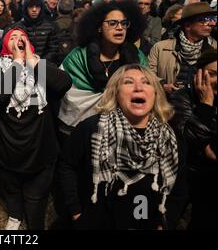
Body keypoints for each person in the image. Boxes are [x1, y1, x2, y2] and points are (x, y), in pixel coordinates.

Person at [58, 64, 179, 229]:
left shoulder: (170, 135)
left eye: (146, 83)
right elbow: (67, 166)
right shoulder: (91, 128)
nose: (138, 88)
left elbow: (180, 185)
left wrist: (165, 223)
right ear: (115, 93)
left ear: (155, 93)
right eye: (128, 82)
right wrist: (76, 212)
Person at [0, 28, 71, 230]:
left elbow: (63, 84)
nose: (17, 40)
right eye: (12, 38)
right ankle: (15, 215)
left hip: (39, 146)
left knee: (36, 197)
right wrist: (16, 63)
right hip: (6, 145)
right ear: (6, 45)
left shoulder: (41, 65)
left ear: (29, 43)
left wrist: (32, 62)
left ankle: (35, 223)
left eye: (21, 37)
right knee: (11, 188)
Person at [58, 0, 148, 132]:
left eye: (124, 23)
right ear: (99, 27)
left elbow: (147, 89)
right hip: (81, 130)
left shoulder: (137, 57)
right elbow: (66, 92)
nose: (120, 28)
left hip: (123, 131)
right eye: (112, 23)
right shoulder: (78, 57)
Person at [169, 49, 217, 230]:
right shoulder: (180, 99)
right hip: (186, 179)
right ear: (198, 73)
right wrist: (205, 105)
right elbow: (188, 142)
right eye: (212, 74)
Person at [149, 2, 217, 96]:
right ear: (188, 25)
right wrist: (163, 85)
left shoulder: (214, 50)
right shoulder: (161, 48)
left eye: (213, 19)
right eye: (204, 20)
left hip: (201, 106)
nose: (212, 23)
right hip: (169, 105)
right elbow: (148, 75)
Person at [12, 0, 59, 64]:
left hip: (43, 66)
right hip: (23, 67)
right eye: (31, 6)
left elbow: (53, 49)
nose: (34, 9)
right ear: (26, 8)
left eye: (37, 6)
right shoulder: (18, 27)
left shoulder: (49, 27)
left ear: (41, 7)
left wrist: (40, 63)